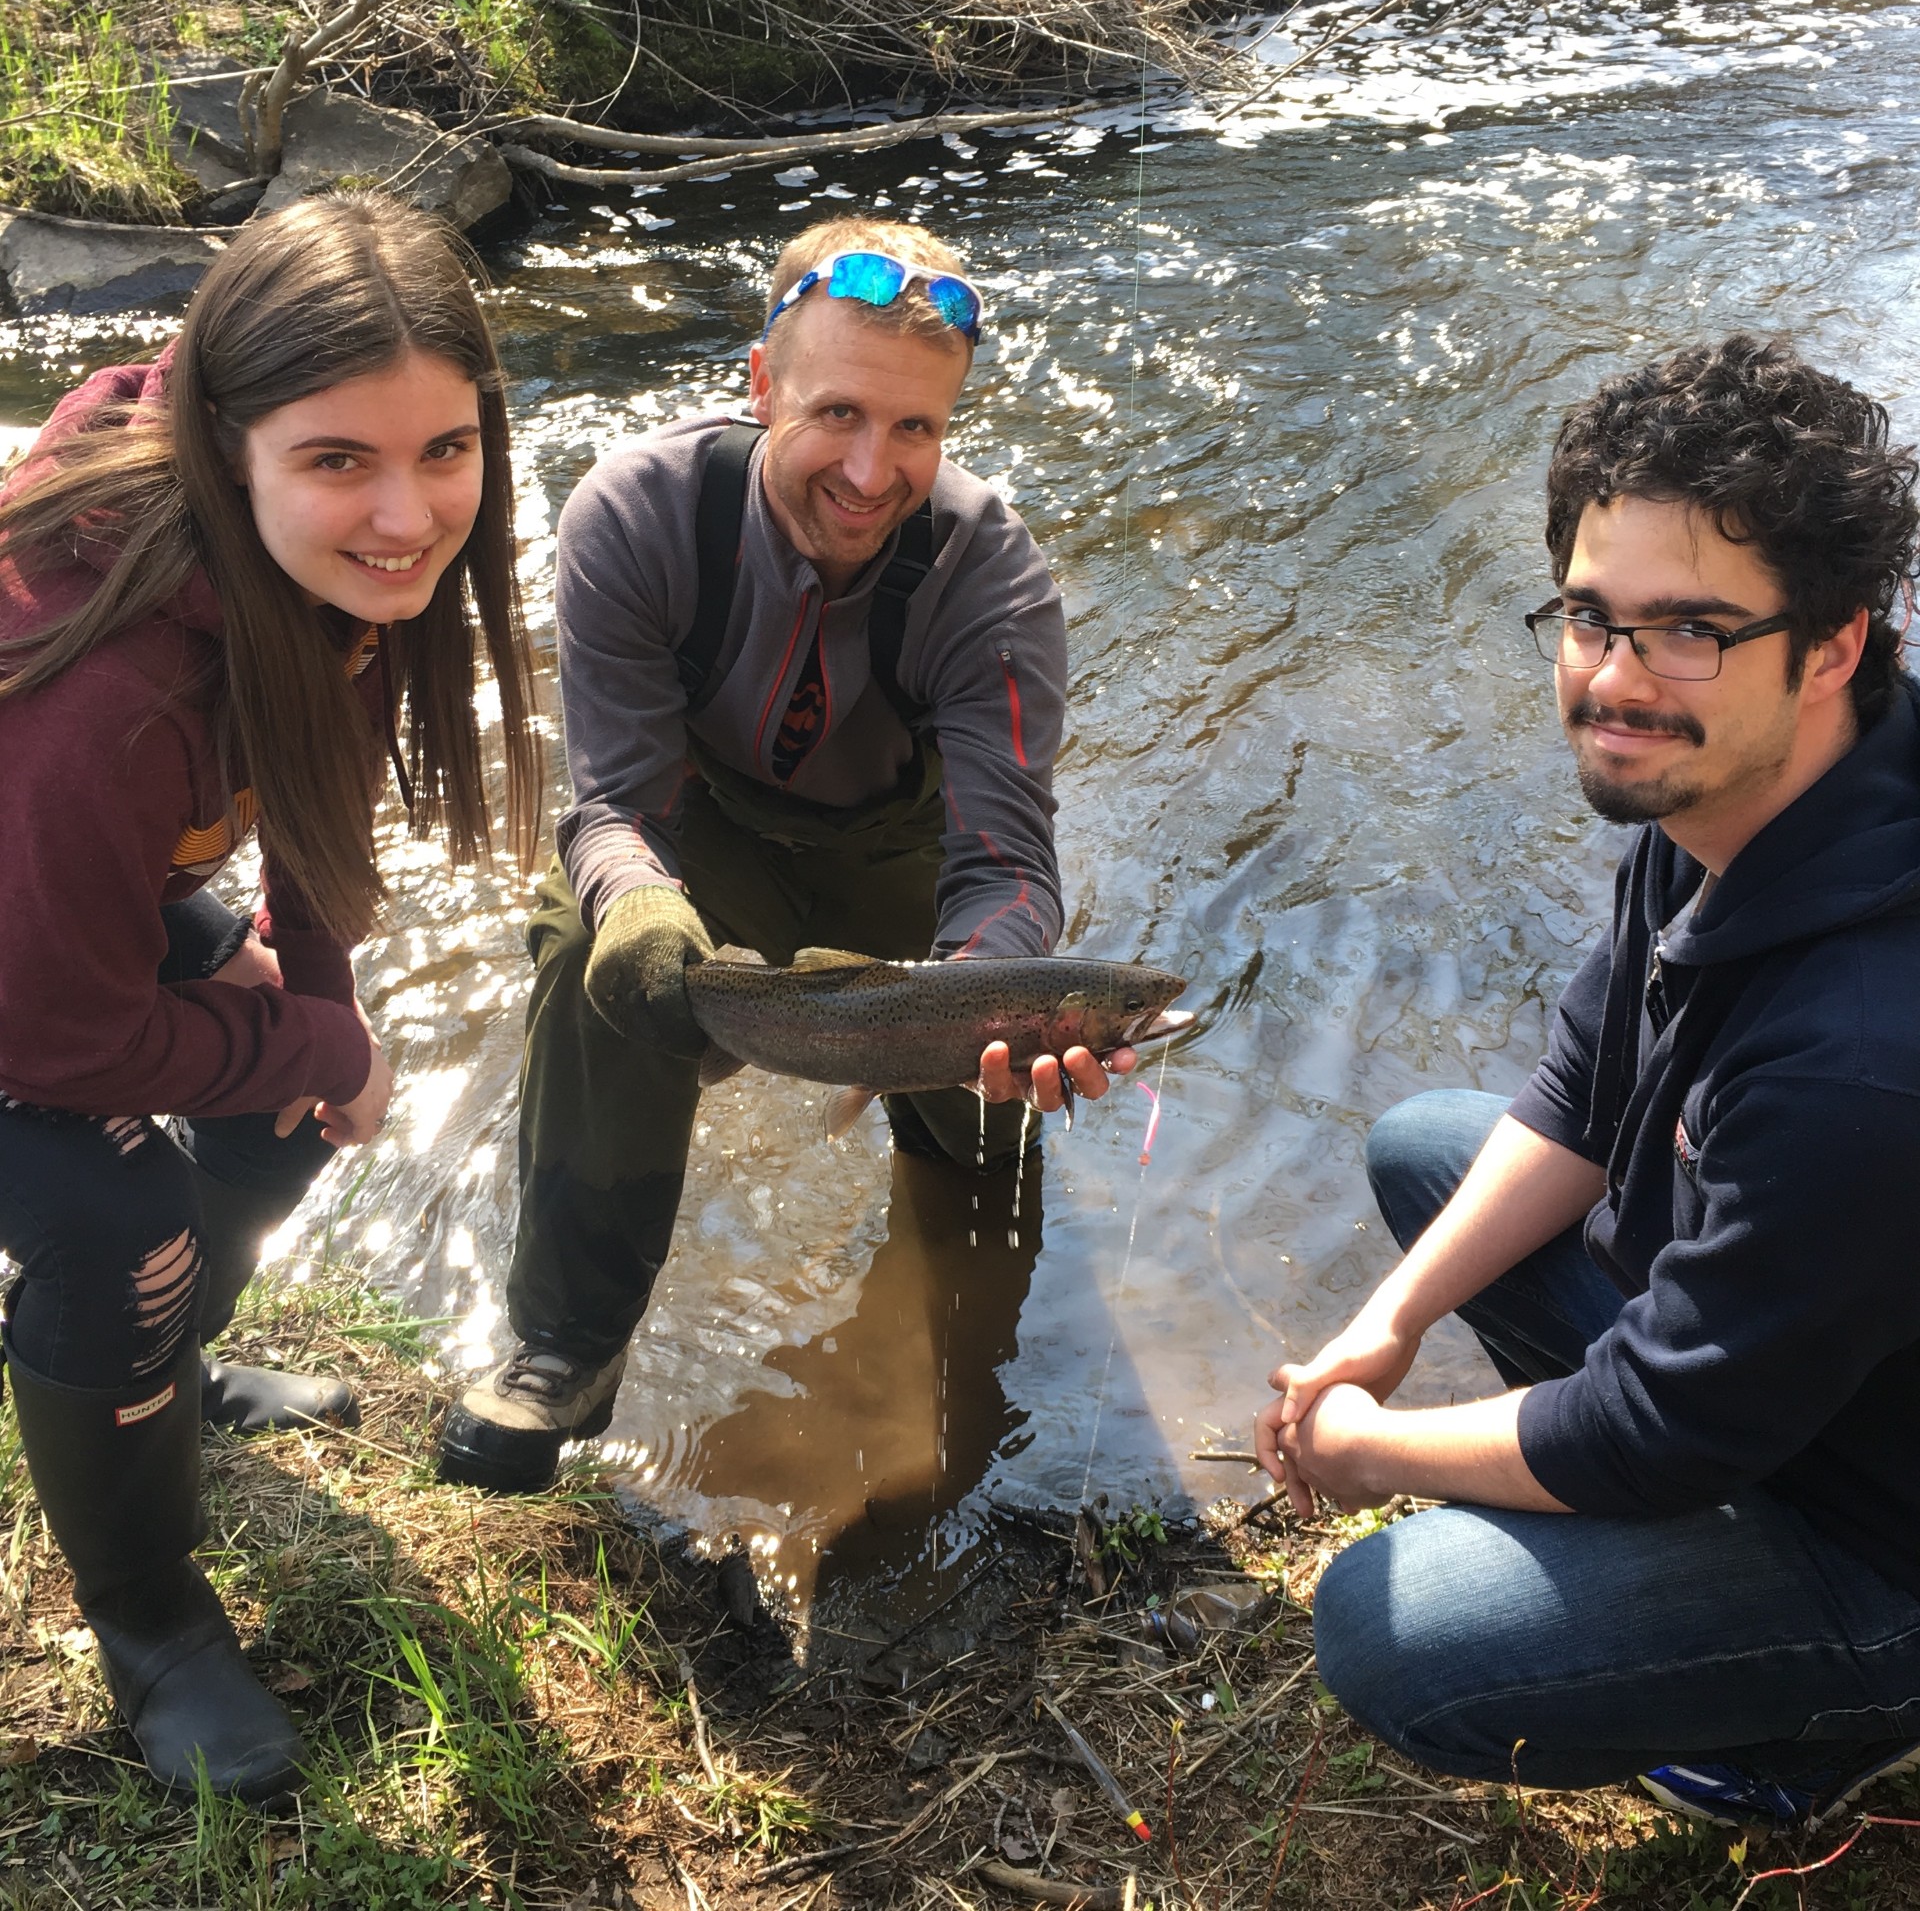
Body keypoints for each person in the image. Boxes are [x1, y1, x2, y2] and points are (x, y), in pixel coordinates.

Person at [1259, 335, 1920, 1828]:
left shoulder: (1863, 1056)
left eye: (1689, 628)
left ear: (1833, 643)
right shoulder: (1736, 789)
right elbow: (1578, 1083)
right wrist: (1385, 1323)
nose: (1617, 680)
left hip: (1889, 1537)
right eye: (1590, 615)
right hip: (1809, 1380)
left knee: (1396, 1630)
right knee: (1433, 1149)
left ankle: (1835, 1717)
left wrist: (1364, 1445)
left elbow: (1651, 1429)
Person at [439, 216, 1129, 1493]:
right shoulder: (637, 516)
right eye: (838, 414)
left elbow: (1009, 860)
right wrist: (643, 911)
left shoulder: (995, 581)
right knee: (596, 955)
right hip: (702, 835)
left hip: (899, 856)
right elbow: (612, 806)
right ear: (760, 386)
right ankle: (566, 1346)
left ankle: (959, 1350)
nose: (874, 471)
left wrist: (982, 992)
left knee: (984, 1157)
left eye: (916, 429)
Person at [0, 193, 540, 1804]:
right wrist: (301, 1027)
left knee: (300, 1079)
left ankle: (157, 1378)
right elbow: (44, 1034)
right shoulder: (103, 691)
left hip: (41, 898)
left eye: (446, 450)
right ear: (231, 443)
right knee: (123, 1219)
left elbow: (318, 788)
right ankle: (149, 1615)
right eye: (340, 463)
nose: (408, 512)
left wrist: (323, 1006)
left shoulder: (302, 558)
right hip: (13, 952)